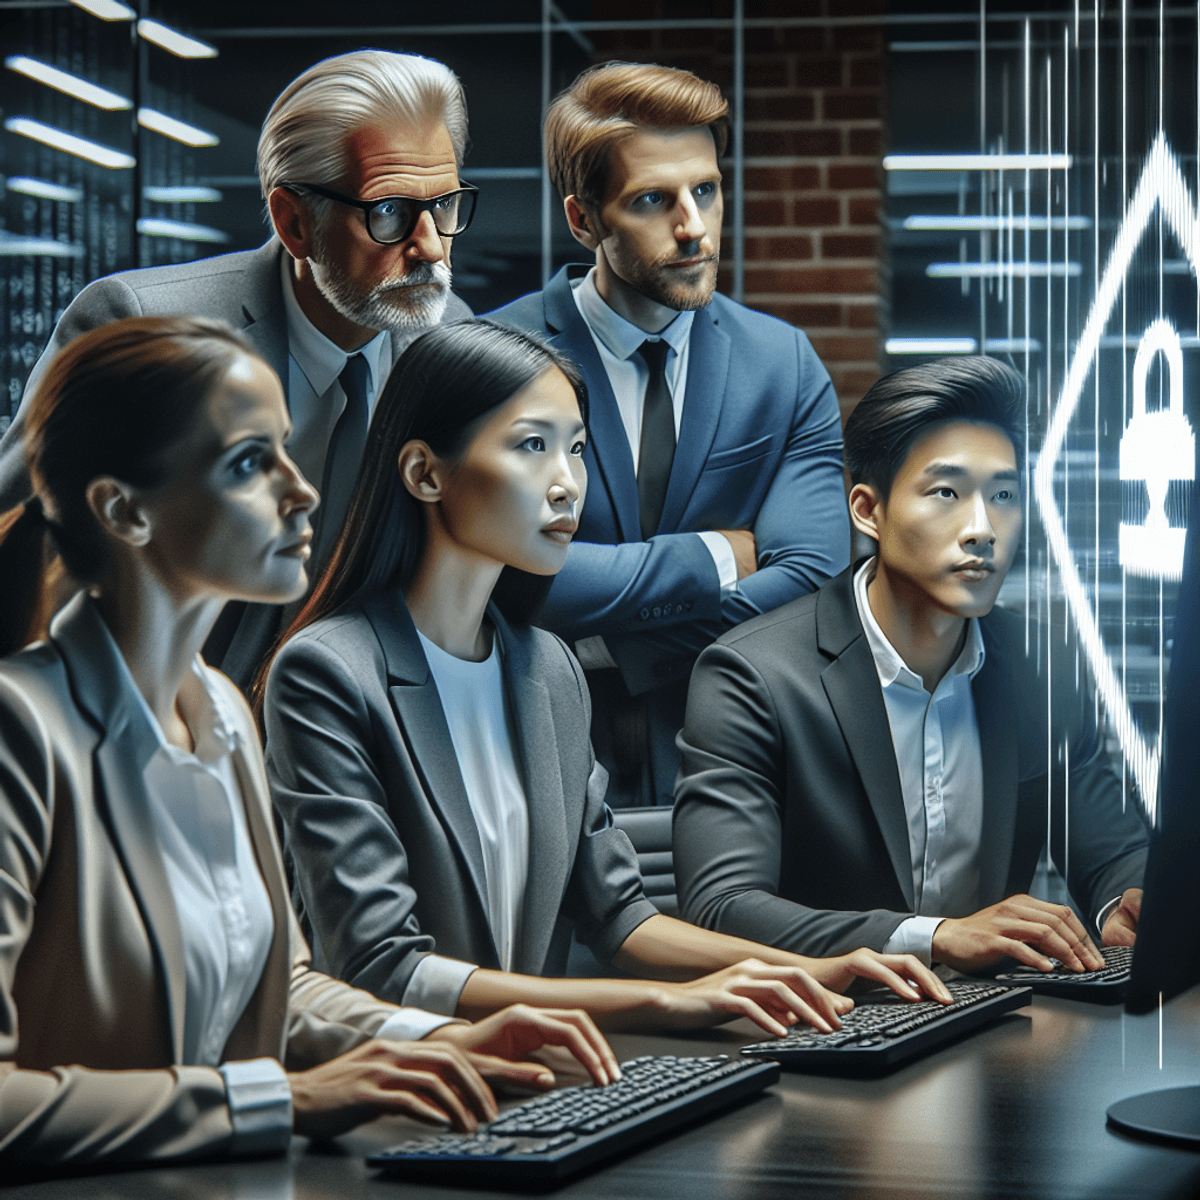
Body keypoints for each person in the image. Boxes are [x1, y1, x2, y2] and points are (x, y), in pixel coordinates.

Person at [0, 316, 619, 1167]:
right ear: (124, 510)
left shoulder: (219, 712)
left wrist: (438, 1037)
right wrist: (282, 1098)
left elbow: (281, 989)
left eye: (287, 452)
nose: (302, 492)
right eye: (252, 463)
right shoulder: (21, 730)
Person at [261, 319, 948, 1033]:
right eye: (533, 446)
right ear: (424, 472)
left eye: (578, 449)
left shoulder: (547, 665)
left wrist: (802, 968)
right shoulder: (328, 672)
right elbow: (383, 966)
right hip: (396, 1084)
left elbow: (618, 915)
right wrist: (659, 1003)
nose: (568, 486)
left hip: (530, 1085)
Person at [0, 49, 476, 687]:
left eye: (444, 205)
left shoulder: (452, 336)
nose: (431, 246)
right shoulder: (142, 321)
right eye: (388, 211)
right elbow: (17, 537)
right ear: (293, 223)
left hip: (351, 732)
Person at [673, 357, 1149, 972]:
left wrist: (1124, 901)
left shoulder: (1044, 666)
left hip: (994, 1025)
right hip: (823, 1026)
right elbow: (721, 908)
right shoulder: (751, 676)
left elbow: (1111, 850)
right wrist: (934, 936)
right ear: (868, 511)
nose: (982, 529)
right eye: (946, 493)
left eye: (1004, 496)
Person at [488, 63, 850, 808]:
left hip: (737, 764)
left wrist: (611, 643)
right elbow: (509, 579)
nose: (693, 227)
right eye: (653, 200)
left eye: (706, 191)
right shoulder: (494, 359)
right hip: (532, 763)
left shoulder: (780, 364)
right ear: (584, 219)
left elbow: (813, 576)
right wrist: (718, 554)